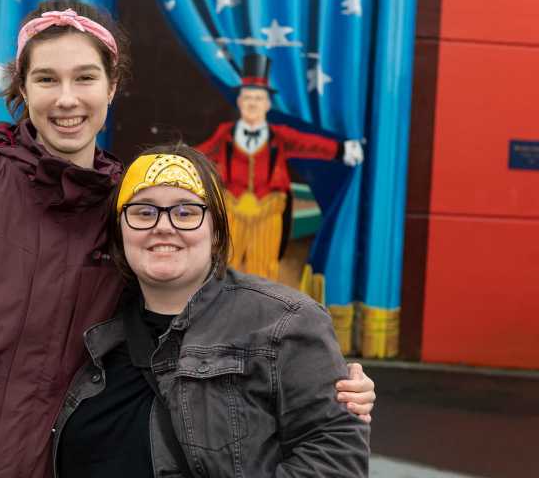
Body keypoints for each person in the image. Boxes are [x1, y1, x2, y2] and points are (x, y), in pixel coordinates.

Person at [0, 2, 374, 478]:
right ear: (21, 88)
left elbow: (199, 309)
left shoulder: (127, 210)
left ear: (112, 86)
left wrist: (318, 380)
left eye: (84, 78)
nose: (66, 99)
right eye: (46, 79)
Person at [53, 145, 370, 477]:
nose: (163, 226)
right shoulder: (87, 325)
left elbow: (336, 458)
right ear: (120, 232)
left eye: (186, 212)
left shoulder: (286, 322)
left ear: (217, 232)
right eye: (144, 212)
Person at [196, 54, 364, 280]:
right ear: (239, 102)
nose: (252, 103)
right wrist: (173, 160)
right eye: (247, 98)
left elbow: (309, 144)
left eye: (258, 98)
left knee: (263, 268)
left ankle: (260, 301)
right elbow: (200, 154)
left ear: (267, 104)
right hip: (232, 209)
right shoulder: (226, 133)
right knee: (224, 263)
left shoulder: (279, 136)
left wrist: (341, 150)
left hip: (268, 210)